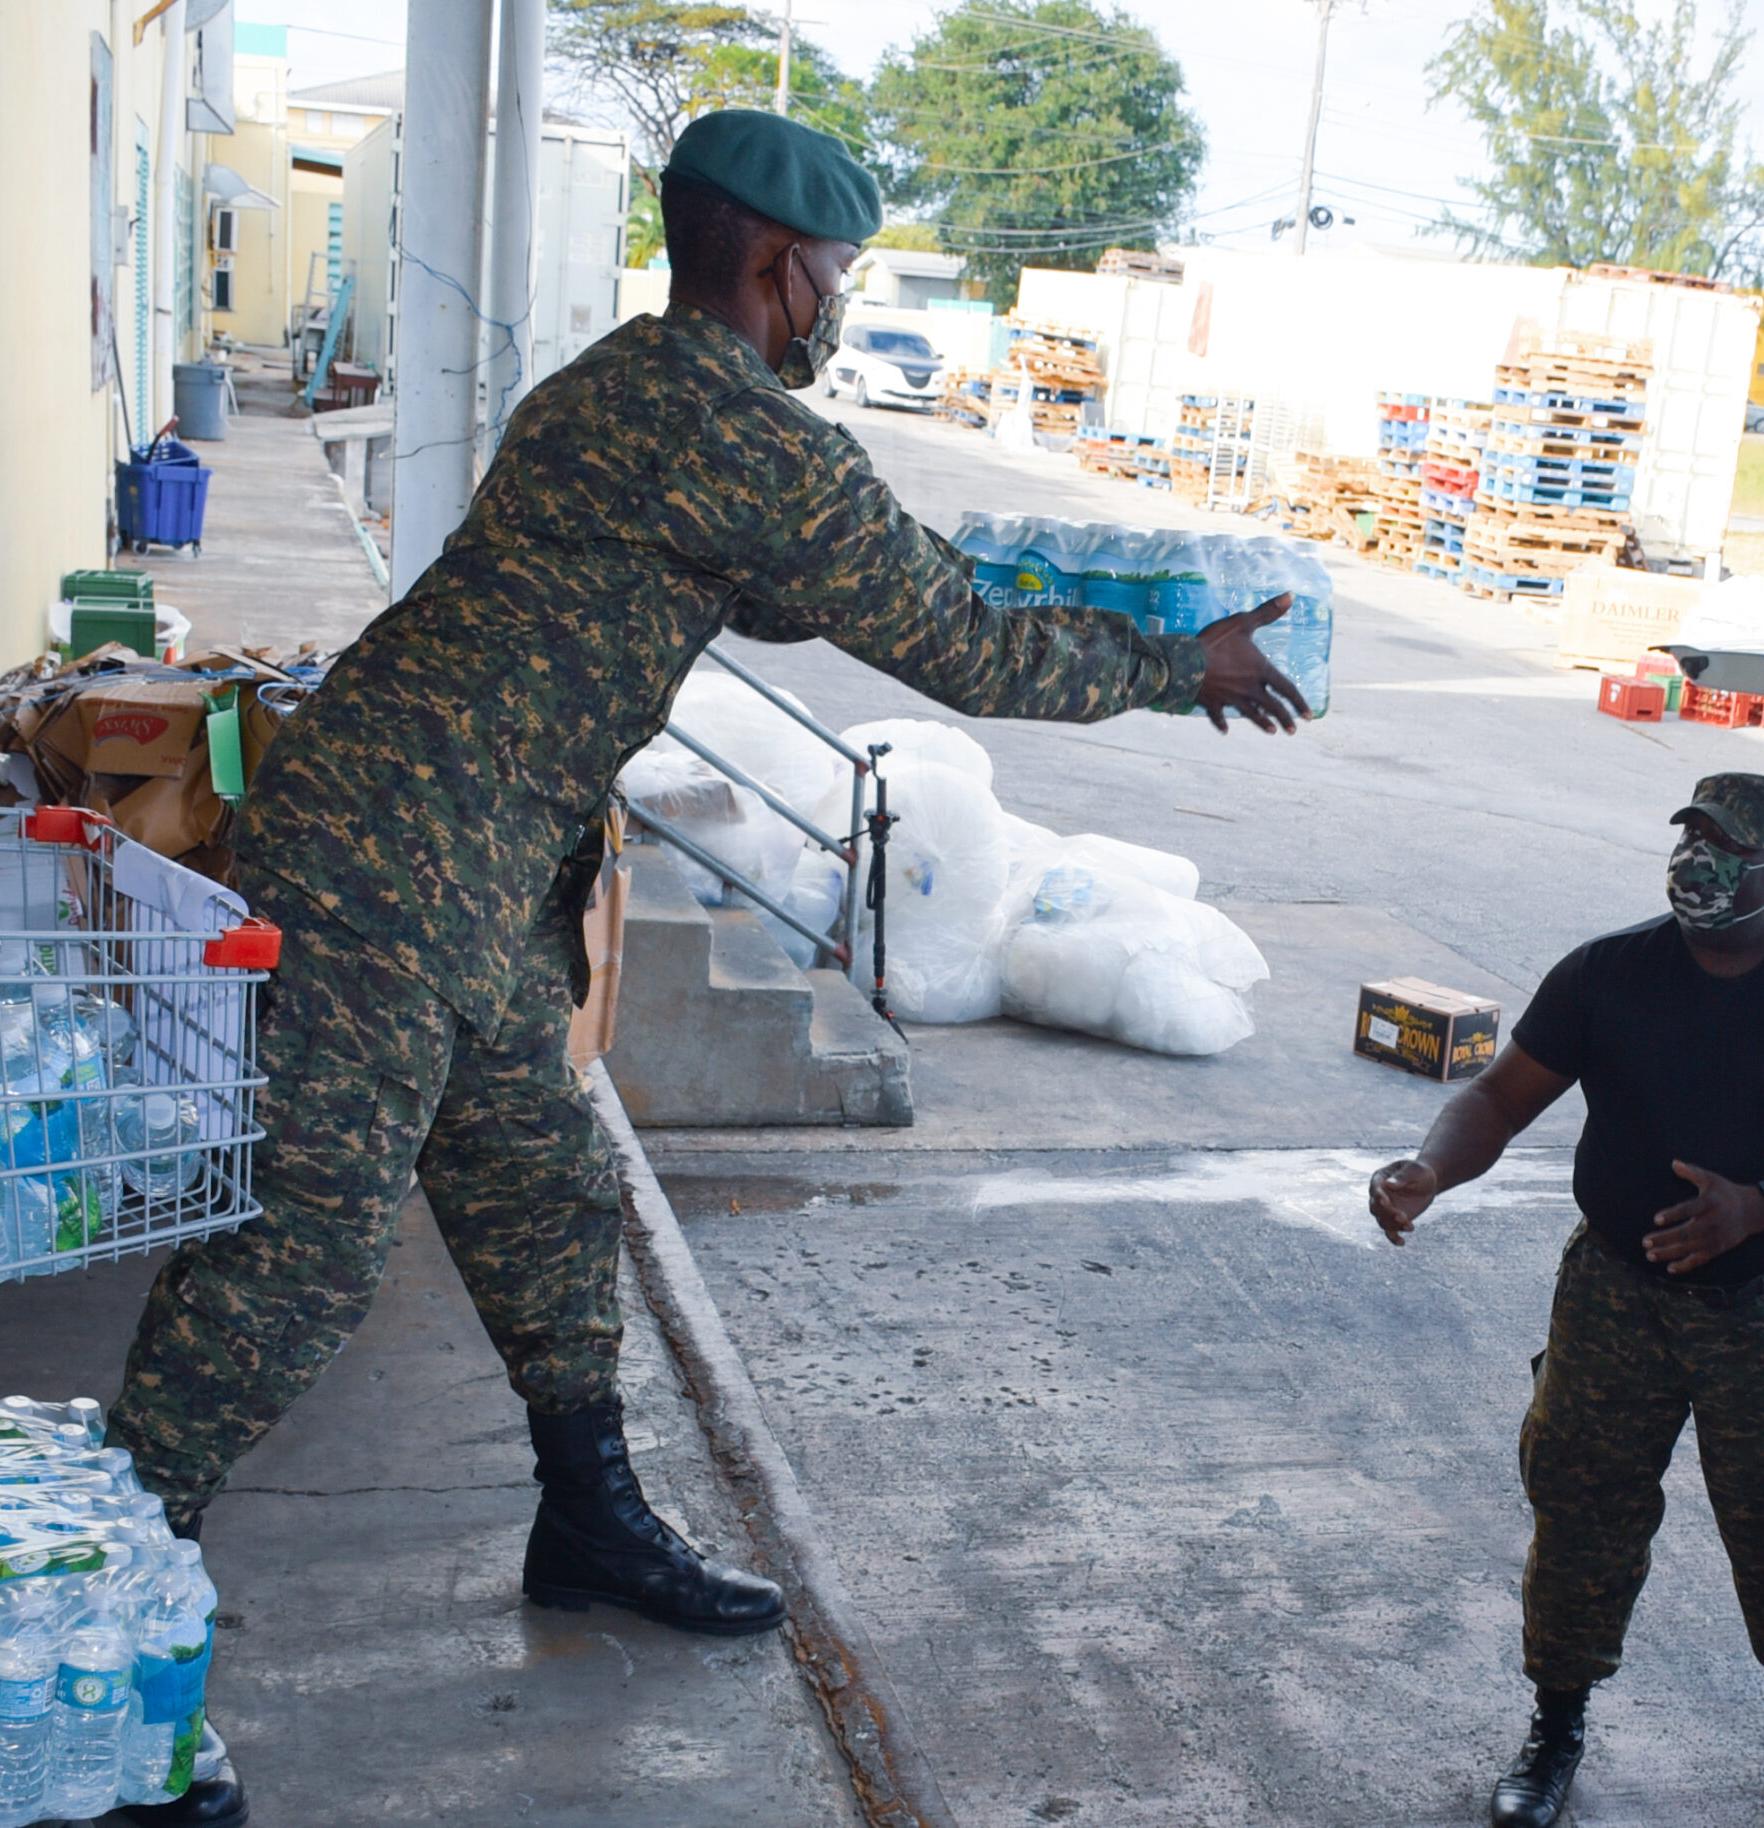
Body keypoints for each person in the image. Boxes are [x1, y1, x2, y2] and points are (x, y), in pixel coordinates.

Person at [104, 109, 1307, 1826]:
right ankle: (88, 1609)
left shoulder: (618, 384)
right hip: (395, 858)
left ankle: (587, 1517)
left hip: (452, 845)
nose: (840, 302)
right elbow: (963, 645)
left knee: (543, 1187)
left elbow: (763, 591)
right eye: (838, 273)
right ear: (779, 266)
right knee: (304, 1249)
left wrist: (888, 562)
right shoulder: (746, 436)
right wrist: (1177, 662)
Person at [1367, 773, 1764, 1828]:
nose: (1698, 863)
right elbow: (1499, 1097)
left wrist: (1759, 1207)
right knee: (1582, 1504)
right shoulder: (1606, 972)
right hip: (1615, 1293)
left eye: (1729, 849)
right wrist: (1432, 1169)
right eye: (1690, 836)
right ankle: (1556, 1725)